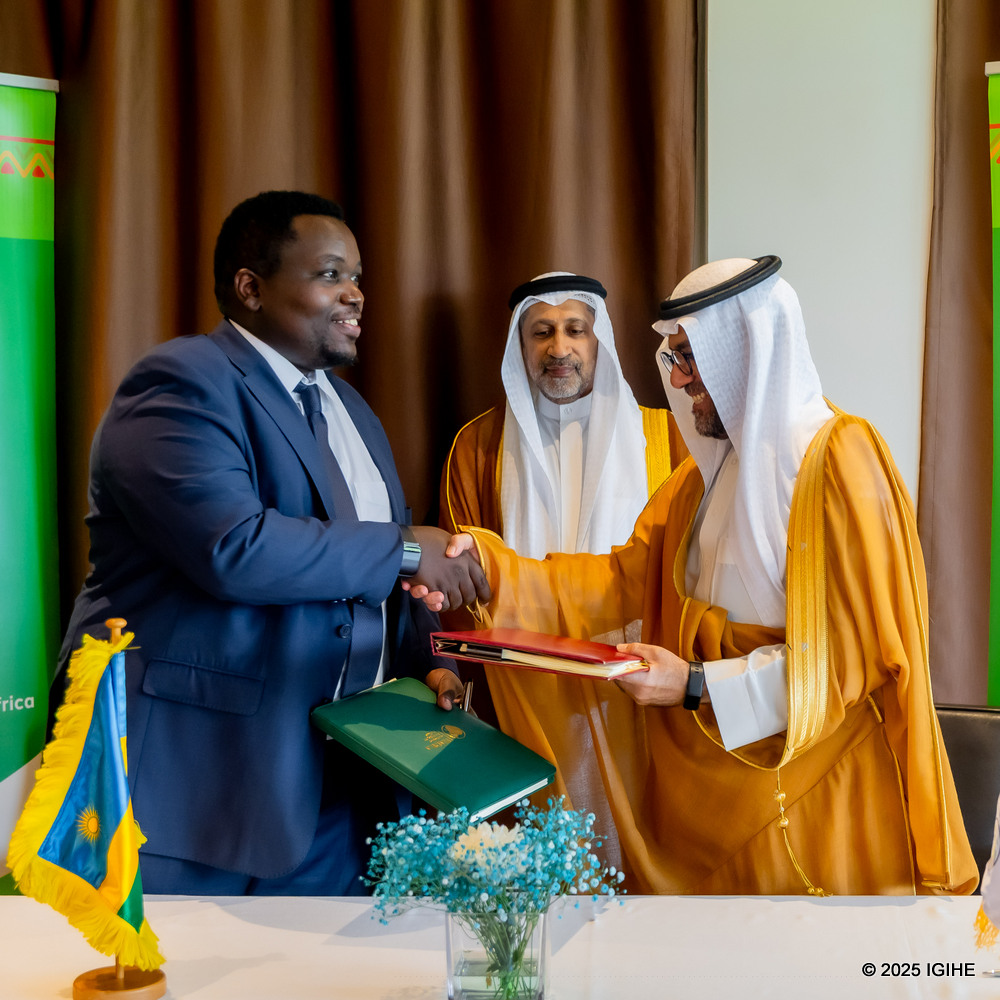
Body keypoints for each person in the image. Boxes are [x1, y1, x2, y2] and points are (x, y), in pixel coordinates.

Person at [419, 256, 977, 896]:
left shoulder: (839, 458)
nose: (678, 377)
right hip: (713, 790)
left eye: (690, 355)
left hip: (822, 790)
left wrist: (694, 683)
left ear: (746, 348)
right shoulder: (701, 475)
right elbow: (621, 582)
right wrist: (489, 567)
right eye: (674, 356)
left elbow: (857, 655)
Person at [51, 190, 489, 896]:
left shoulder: (351, 409)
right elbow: (236, 548)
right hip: (198, 791)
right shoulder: (180, 384)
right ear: (250, 288)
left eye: (357, 277)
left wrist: (426, 662)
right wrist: (409, 547)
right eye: (329, 275)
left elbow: (377, 572)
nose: (355, 294)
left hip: (342, 790)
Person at [439, 271, 686, 563]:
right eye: (542, 333)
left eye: (575, 330)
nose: (558, 349)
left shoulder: (669, 437)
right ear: (521, 346)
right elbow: (459, 571)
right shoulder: (477, 447)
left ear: (599, 340)